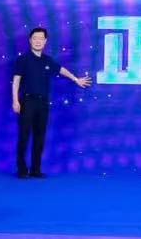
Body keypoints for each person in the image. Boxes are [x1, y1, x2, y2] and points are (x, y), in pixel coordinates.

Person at [12, 27, 91, 178]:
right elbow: (16, 81)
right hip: (27, 101)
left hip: (43, 103)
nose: (38, 41)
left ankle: (35, 170)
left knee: (39, 137)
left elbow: (61, 70)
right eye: (35, 38)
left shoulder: (47, 60)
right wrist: (15, 101)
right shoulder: (23, 59)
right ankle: (22, 169)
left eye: (41, 39)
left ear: (45, 41)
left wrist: (76, 79)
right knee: (24, 136)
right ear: (30, 40)